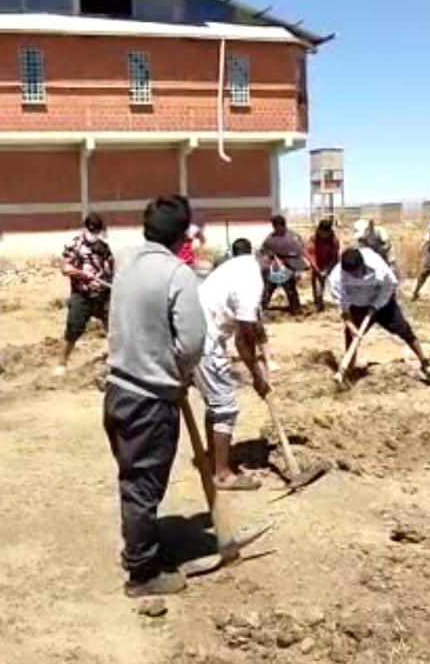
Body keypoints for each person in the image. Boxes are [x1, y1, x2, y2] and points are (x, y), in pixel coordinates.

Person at [104, 195, 206, 597]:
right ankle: (143, 573)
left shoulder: (125, 264)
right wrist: (177, 370)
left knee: (133, 480)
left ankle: (139, 547)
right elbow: (194, 341)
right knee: (142, 486)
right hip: (149, 398)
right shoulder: (177, 275)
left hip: (117, 390)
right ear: (182, 233)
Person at [195, 238, 271, 490]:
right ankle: (223, 474)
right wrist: (258, 377)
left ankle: (211, 457)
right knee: (225, 406)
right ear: (272, 258)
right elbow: (242, 342)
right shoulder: (253, 282)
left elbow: (249, 325)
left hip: (192, 331)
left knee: (214, 403)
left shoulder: (240, 264)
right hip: (205, 341)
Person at [329, 247, 430, 382]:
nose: (354, 276)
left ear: (362, 264)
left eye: (356, 272)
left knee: (405, 330)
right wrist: (352, 327)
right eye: (350, 273)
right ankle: (348, 372)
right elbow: (343, 306)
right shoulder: (336, 278)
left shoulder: (376, 263)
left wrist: (376, 306)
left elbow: (390, 285)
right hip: (357, 307)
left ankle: (425, 363)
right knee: (351, 338)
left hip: (383, 303)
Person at [56, 213, 114, 375]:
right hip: (82, 295)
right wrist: (82, 274)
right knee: (73, 328)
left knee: (114, 326)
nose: (95, 236)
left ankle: (117, 360)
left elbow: (111, 269)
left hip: (104, 294)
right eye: (92, 232)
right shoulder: (74, 245)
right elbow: (65, 268)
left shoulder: (104, 247)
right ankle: (62, 363)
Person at [260, 215, 307, 313]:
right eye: (274, 226)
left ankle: (296, 309)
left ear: (282, 225)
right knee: (267, 290)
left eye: (276, 226)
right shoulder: (270, 237)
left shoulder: (293, 237)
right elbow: (264, 251)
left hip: (288, 268)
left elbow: (299, 253)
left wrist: (296, 269)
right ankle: (262, 307)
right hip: (273, 269)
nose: (275, 228)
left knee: (291, 291)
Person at [306, 218, 341, 312]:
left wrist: (328, 269)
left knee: (334, 288)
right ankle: (319, 306)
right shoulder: (313, 239)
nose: (323, 235)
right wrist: (317, 269)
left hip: (330, 267)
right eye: (321, 232)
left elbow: (335, 257)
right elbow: (310, 255)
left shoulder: (334, 240)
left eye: (325, 233)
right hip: (317, 267)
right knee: (318, 290)